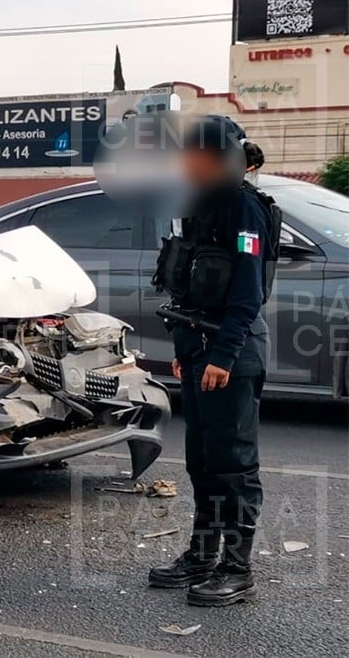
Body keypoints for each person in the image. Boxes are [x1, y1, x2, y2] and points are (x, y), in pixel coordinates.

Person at [148, 115, 275, 606]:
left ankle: (236, 569)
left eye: (195, 154)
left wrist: (223, 353)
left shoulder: (244, 208)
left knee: (233, 464)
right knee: (202, 460)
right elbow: (186, 284)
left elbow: (247, 290)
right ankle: (202, 555)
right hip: (199, 348)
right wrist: (185, 352)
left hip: (232, 350)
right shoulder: (200, 204)